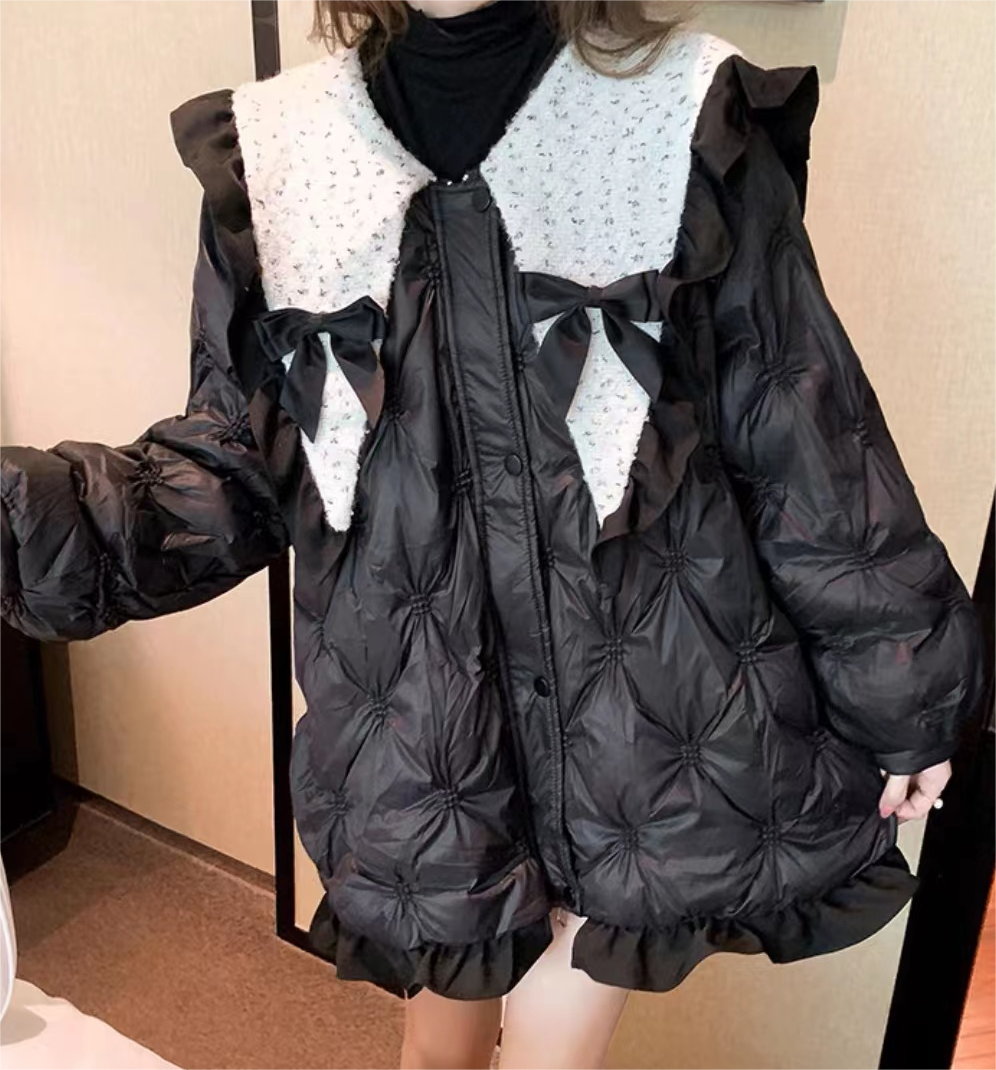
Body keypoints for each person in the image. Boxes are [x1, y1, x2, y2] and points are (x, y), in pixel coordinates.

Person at [0, 1, 985, 1069]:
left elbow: (800, 427)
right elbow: (240, 453)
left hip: (640, 721)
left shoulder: (681, 111)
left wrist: (907, 689)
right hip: (420, 721)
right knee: (437, 1052)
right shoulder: (278, 153)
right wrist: (30, 520)